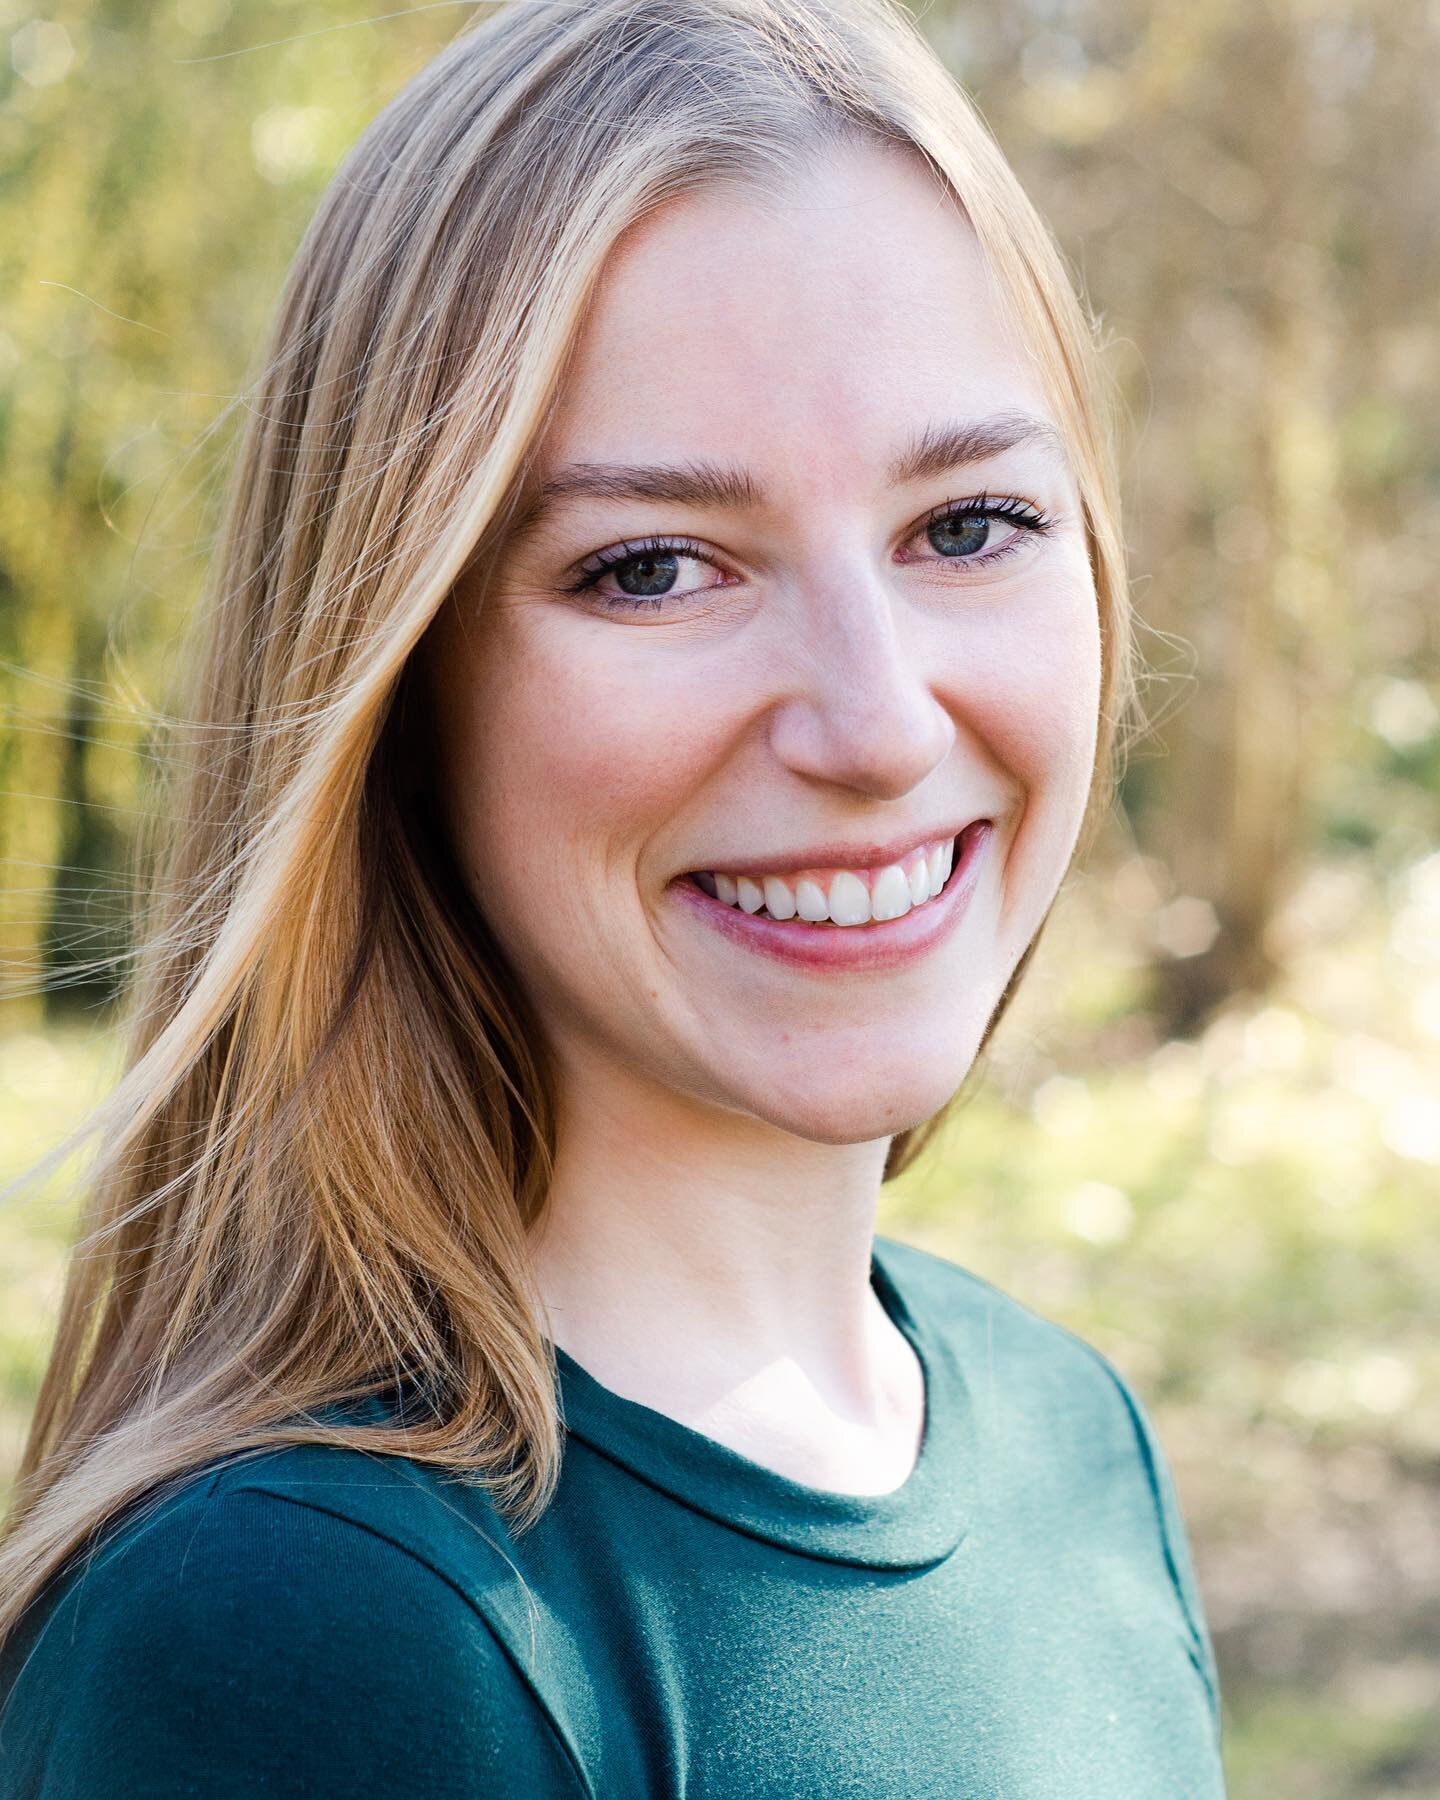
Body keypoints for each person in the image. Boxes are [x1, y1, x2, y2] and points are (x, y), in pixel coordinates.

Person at [0, 0, 1226, 1793]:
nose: (878, 726)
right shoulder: (305, 1631)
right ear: (402, 683)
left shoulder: (1071, 1439)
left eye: (968, 525)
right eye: (653, 568)